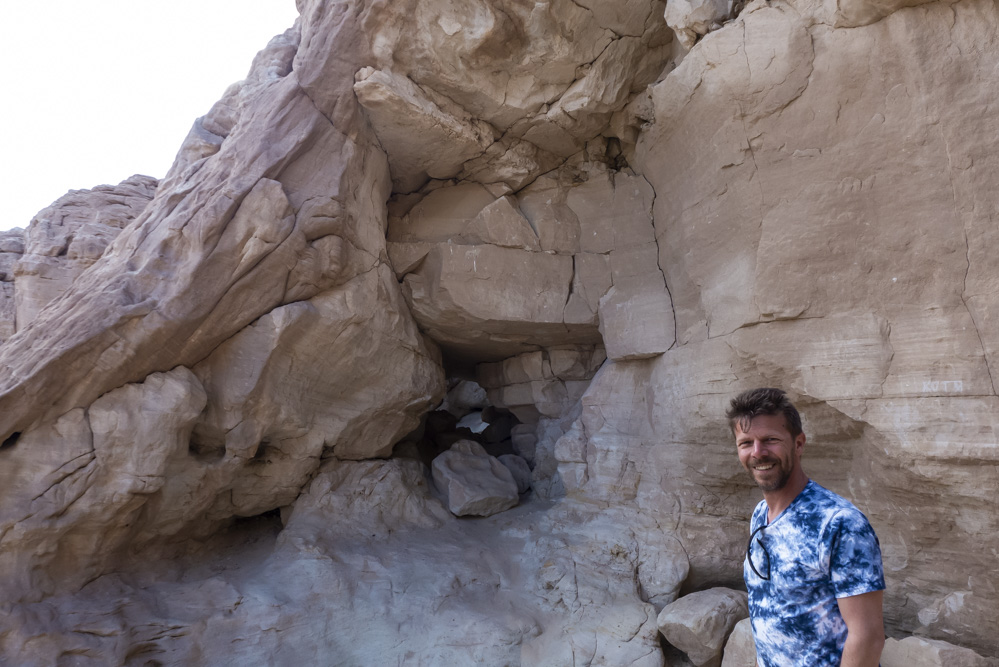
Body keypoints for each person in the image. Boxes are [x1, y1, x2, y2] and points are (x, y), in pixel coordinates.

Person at [727, 387, 885, 667]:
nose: (758, 452)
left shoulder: (840, 524)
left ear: (798, 444)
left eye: (770, 440)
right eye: (746, 443)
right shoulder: (761, 514)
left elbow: (868, 637)